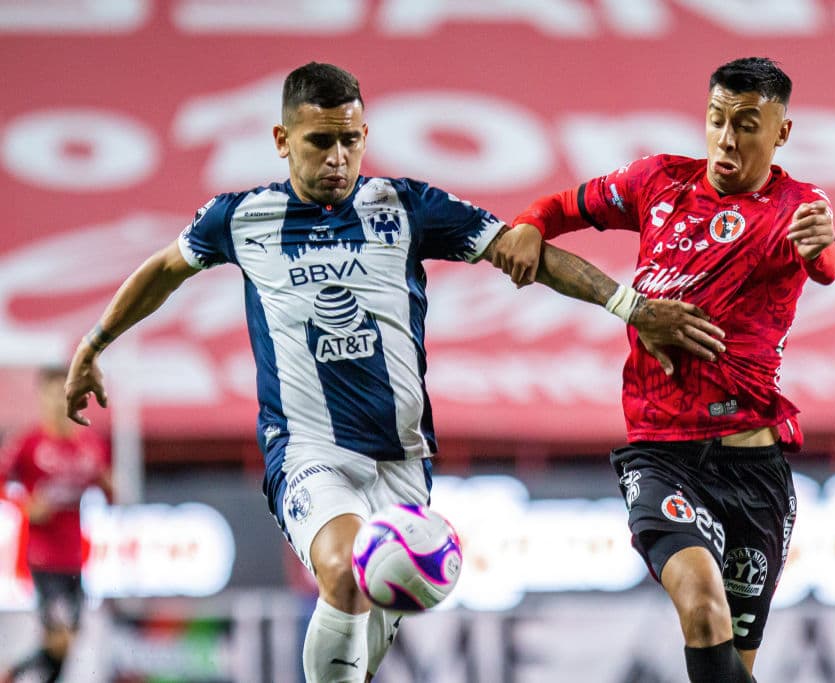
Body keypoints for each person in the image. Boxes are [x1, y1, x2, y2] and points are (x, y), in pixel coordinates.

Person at [62, 62, 726, 683]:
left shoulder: (406, 207)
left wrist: (629, 305)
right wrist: (95, 342)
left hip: (403, 459)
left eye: (350, 140)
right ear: (281, 139)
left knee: (369, 618)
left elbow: (523, 252)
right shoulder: (241, 219)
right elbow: (163, 270)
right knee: (345, 572)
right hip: (307, 446)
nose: (338, 157)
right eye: (320, 141)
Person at [496, 57, 835, 682]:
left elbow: (826, 263)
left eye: (747, 125)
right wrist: (529, 223)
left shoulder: (798, 206)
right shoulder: (659, 182)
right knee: (702, 608)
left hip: (754, 470)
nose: (727, 139)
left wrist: (822, 249)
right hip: (663, 457)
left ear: (781, 134)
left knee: (733, 665)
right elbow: (563, 204)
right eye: (716, 120)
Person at [0, 366, 112, 683]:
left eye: (62, 392)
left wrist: (109, 485)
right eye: (49, 393)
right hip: (42, 558)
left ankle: (13, 673)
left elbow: (110, 491)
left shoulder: (90, 446)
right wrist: (24, 505)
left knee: (68, 641)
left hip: (76, 557)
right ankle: (10, 675)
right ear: (40, 397)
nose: (55, 401)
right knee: (59, 637)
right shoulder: (29, 443)